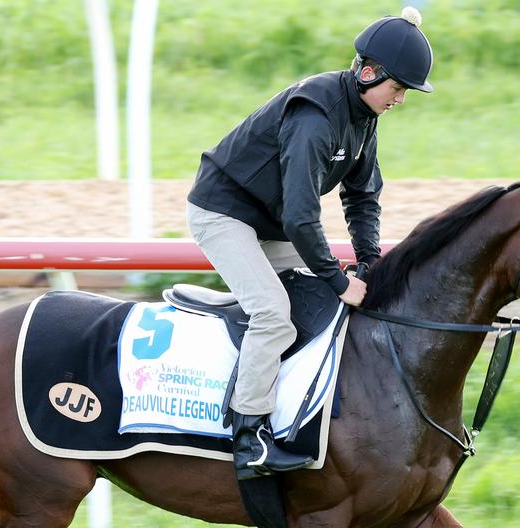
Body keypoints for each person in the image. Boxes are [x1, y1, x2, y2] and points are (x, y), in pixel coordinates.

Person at [186, 7, 434, 480]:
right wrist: (340, 282)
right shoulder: (316, 116)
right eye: (397, 88)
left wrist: (369, 262)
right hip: (223, 214)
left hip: (271, 221)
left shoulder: (364, 117)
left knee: (322, 299)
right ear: (368, 72)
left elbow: (362, 196)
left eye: (404, 91)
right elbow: (303, 218)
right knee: (273, 313)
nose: (400, 99)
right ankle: (249, 434)